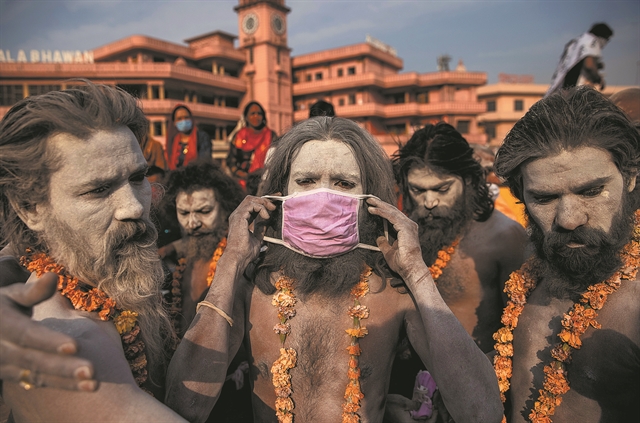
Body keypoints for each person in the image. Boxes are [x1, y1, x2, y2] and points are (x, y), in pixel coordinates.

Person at [165, 117, 502, 422]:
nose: (323, 197)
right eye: (307, 181)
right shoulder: (251, 287)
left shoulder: (394, 293)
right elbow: (186, 406)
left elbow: (481, 412)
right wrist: (230, 263)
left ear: (372, 200)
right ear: (279, 194)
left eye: (343, 183)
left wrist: (417, 274)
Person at [0, 82, 186, 421]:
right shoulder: (62, 346)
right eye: (98, 190)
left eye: (138, 177)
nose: (132, 207)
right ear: (31, 209)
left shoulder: (112, 282)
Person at [493, 86, 640, 422]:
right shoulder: (530, 278)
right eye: (544, 199)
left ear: (630, 177)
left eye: (591, 191)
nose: (569, 219)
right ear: (521, 197)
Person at [394, 123, 528, 352]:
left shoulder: (505, 237)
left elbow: (522, 332)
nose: (429, 203)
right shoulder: (402, 233)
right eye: (417, 190)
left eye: (442, 189)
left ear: (468, 181)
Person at [158, 161, 244, 337]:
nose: (192, 224)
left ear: (225, 209)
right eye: (183, 213)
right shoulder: (182, 260)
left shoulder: (240, 260)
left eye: (204, 211)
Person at [546, 23, 613, 97]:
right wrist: (598, 79)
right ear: (603, 36)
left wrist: (597, 65)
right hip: (572, 92)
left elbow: (574, 63)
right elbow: (589, 65)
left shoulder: (576, 42)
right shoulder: (592, 41)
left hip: (559, 90)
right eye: (607, 39)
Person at [226, 101, 276, 188]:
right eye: (252, 114)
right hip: (242, 183)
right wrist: (244, 175)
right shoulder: (239, 136)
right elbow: (231, 160)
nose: (256, 116)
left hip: (265, 182)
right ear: (246, 117)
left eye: (259, 113)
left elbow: (276, 159)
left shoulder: (271, 136)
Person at [166, 104, 212, 170]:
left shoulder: (201, 137)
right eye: (179, 119)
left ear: (191, 119)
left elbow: (204, 162)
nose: (183, 121)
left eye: (186, 117)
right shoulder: (173, 140)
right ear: (174, 122)